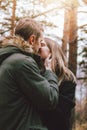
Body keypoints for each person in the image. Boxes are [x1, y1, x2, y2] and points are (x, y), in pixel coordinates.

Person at [0, 18, 59, 130]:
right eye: (41, 41)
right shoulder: (23, 62)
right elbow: (50, 99)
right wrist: (48, 69)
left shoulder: (8, 59)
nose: (41, 47)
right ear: (32, 39)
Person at [38, 37, 76, 130]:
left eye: (42, 44)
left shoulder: (67, 78)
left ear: (52, 53)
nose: (38, 47)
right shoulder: (34, 72)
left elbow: (61, 114)